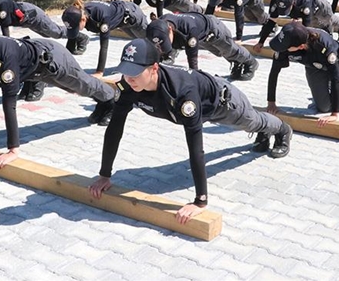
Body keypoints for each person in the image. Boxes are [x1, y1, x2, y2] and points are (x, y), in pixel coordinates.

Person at [87, 39, 293, 224]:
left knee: (253, 122)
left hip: (223, 103)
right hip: (201, 102)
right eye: (126, 71)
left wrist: (200, 201)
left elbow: (196, 148)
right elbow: (115, 128)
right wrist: (104, 175)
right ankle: (265, 132)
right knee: (256, 125)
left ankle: (283, 129)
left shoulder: (182, 94)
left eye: (135, 73)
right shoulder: (128, 87)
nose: (129, 78)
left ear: (154, 69)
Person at [0, 20, 119, 169]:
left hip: (52, 59)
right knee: (75, 89)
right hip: (35, 70)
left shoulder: (0, 54)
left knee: (82, 86)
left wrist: (13, 150)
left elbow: (9, 102)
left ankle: (111, 99)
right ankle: (103, 102)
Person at [266, 22, 339, 121]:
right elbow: (274, 72)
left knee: (337, 104)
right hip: (314, 67)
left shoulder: (324, 46)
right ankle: (327, 93)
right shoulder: (287, 43)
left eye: (285, 47)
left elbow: (335, 78)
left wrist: (335, 114)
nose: (282, 49)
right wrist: (271, 103)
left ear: (301, 46)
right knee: (323, 107)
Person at [145, 13, 259, 80]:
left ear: (170, 29)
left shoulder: (188, 30)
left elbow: (192, 61)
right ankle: (237, 64)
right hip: (202, 36)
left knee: (229, 51)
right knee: (219, 53)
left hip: (214, 30)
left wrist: (195, 80)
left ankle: (251, 63)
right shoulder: (159, 26)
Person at [62, 0, 148, 77]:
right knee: (140, 40)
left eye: (76, 27)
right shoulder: (79, 13)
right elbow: (71, 40)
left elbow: (104, 46)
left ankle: (159, 60)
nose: (75, 29)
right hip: (122, 21)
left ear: (83, 20)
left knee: (149, 41)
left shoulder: (101, 18)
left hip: (133, 15)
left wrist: (99, 72)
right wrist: (66, 67)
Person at [255, 0, 339, 52]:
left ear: (293, 3)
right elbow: (271, 22)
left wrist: (301, 47)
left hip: (320, 9)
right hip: (302, 11)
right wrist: (261, 42)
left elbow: (306, 29)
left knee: (323, 26)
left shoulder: (304, 3)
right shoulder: (279, 2)